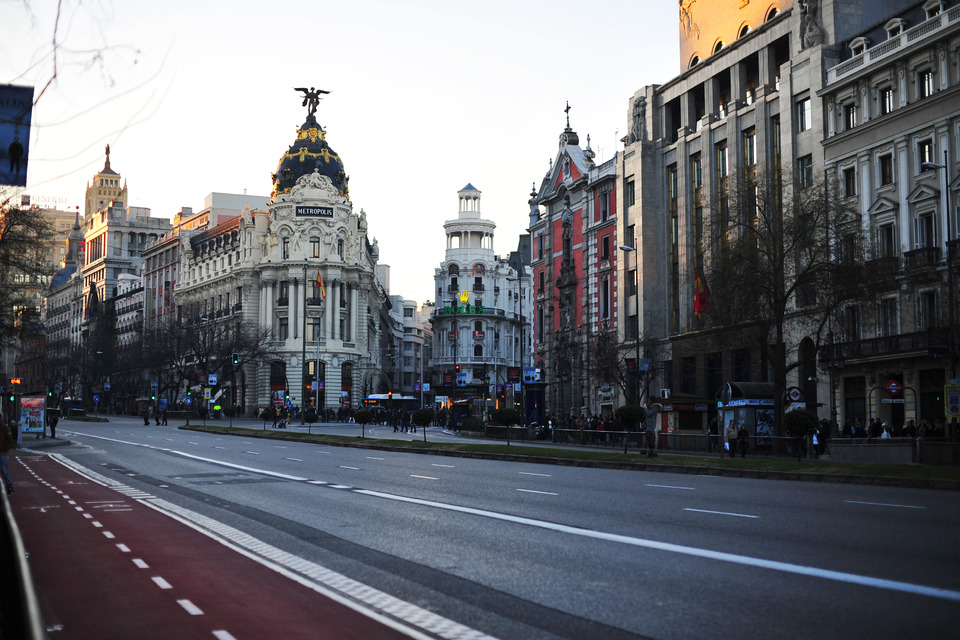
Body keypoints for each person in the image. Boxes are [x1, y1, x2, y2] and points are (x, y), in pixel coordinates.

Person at [1, 422, 14, 495]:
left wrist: (5, 450)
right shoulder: (5, 429)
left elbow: (10, 441)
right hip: (2, 452)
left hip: (1, 452)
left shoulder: (5, 429)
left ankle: (9, 487)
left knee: (4, 471)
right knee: (4, 471)